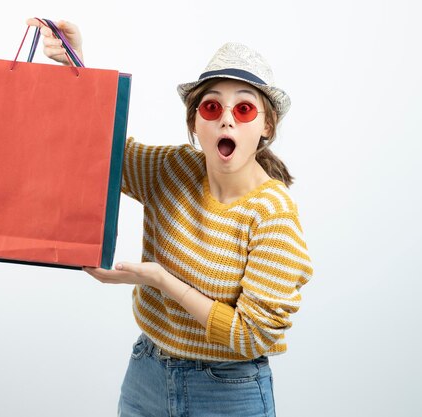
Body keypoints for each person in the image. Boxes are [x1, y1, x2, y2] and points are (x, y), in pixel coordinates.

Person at [27, 18, 313, 417]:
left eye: (244, 108)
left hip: (229, 392)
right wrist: (77, 68)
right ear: (196, 121)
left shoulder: (273, 215)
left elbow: (250, 336)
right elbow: (103, 148)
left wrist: (157, 277)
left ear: (266, 125)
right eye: (212, 106)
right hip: (147, 372)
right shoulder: (172, 169)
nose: (226, 119)